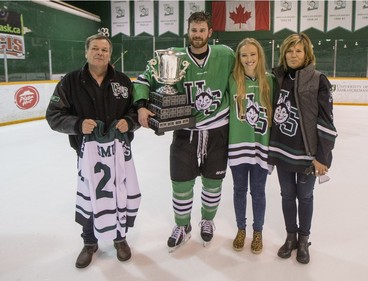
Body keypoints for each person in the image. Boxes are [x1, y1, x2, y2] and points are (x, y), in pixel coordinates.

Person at [133, 11, 235, 251]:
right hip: (185, 129)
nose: (197, 35)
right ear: (188, 32)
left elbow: (248, 74)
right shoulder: (173, 57)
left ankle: (207, 221)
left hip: (218, 129)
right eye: (193, 30)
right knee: (180, 182)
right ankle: (182, 225)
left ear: (210, 32)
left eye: (202, 30)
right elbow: (143, 79)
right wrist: (141, 105)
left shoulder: (225, 55)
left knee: (213, 182)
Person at [45, 33, 141, 268]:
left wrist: (129, 121)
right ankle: (89, 242)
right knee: (90, 195)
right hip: (88, 155)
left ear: (110, 54)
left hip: (119, 152)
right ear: (86, 52)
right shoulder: (70, 81)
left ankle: (120, 238)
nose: (100, 53)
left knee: (119, 193)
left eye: (104, 50)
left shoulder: (123, 81)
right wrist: (77, 125)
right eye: (95, 49)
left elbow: (136, 111)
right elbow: (54, 115)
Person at [268, 33, 337, 264]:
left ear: (307, 54)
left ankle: (304, 240)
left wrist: (323, 157)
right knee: (287, 195)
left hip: (307, 154)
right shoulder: (276, 77)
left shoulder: (318, 80)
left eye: (298, 50)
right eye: (289, 50)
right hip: (281, 149)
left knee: (305, 197)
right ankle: (291, 237)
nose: (293, 55)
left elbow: (327, 121)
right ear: (283, 53)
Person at [228, 38, 275, 254]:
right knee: (239, 191)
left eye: (253, 54)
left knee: (258, 192)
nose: (249, 59)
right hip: (238, 147)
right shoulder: (232, 80)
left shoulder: (270, 81)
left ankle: (258, 231)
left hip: (260, 147)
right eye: (244, 55)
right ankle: (241, 229)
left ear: (259, 56)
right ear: (239, 58)